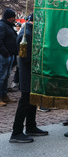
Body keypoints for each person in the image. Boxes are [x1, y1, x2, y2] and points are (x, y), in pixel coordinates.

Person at [9, 14, 49, 143]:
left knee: (32, 100)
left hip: (31, 73)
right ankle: (17, 132)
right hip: (28, 74)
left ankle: (31, 126)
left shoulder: (29, 31)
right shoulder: (27, 34)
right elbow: (26, 57)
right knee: (25, 101)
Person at [0, 8, 18, 105]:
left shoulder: (8, 25)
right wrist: (5, 52)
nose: (14, 19)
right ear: (9, 17)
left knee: (6, 76)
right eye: (13, 17)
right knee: (2, 76)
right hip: (4, 55)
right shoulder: (2, 25)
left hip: (9, 54)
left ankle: (4, 95)